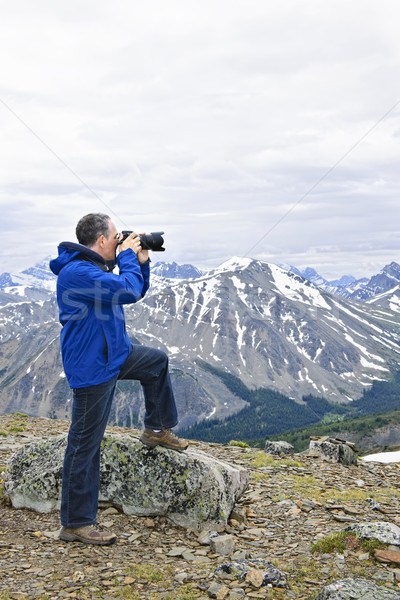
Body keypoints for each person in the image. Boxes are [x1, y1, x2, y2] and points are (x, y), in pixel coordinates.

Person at [49, 213, 187, 546]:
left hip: (115, 354)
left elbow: (133, 290)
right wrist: (126, 255)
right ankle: (76, 523)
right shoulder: (77, 273)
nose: (118, 240)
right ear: (100, 241)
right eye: (115, 237)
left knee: (156, 362)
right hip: (93, 367)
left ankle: (156, 428)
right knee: (85, 445)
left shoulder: (94, 268)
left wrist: (139, 261)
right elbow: (125, 288)